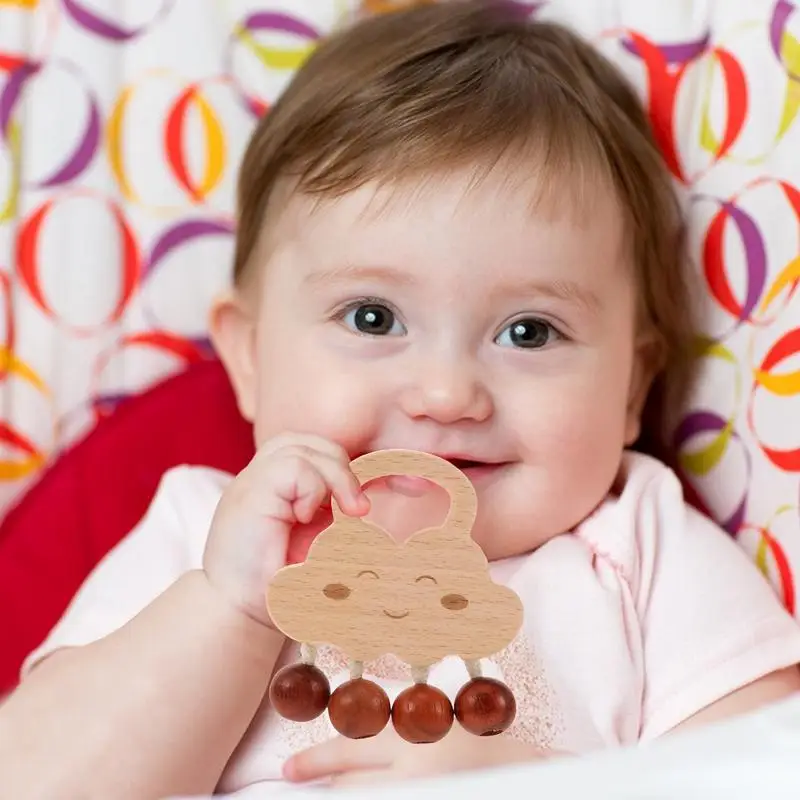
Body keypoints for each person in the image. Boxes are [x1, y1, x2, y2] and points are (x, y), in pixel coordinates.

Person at [2, 2, 800, 797]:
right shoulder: (204, 536)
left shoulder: (643, 551)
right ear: (248, 358)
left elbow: (760, 770)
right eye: (373, 317)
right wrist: (231, 610)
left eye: (530, 332)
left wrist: (554, 785)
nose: (448, 394)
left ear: (633, 385)